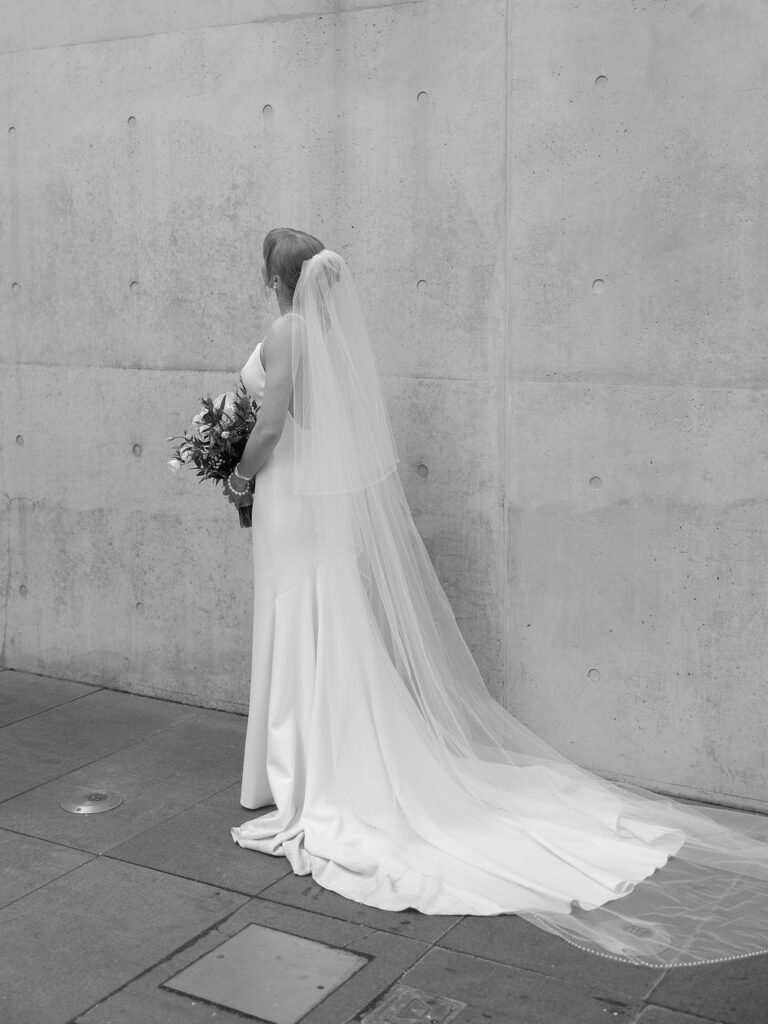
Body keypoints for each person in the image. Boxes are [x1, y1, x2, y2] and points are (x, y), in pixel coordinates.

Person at [227, 227, 768, 966]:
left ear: (276, 277)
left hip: (288, 499)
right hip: (305, 504)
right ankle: (300, 761)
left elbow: (274, 423)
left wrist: (235, 474)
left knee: (298, 619)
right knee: (317, 621)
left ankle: (301, 772)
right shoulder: (322, 336)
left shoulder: (287, 331)